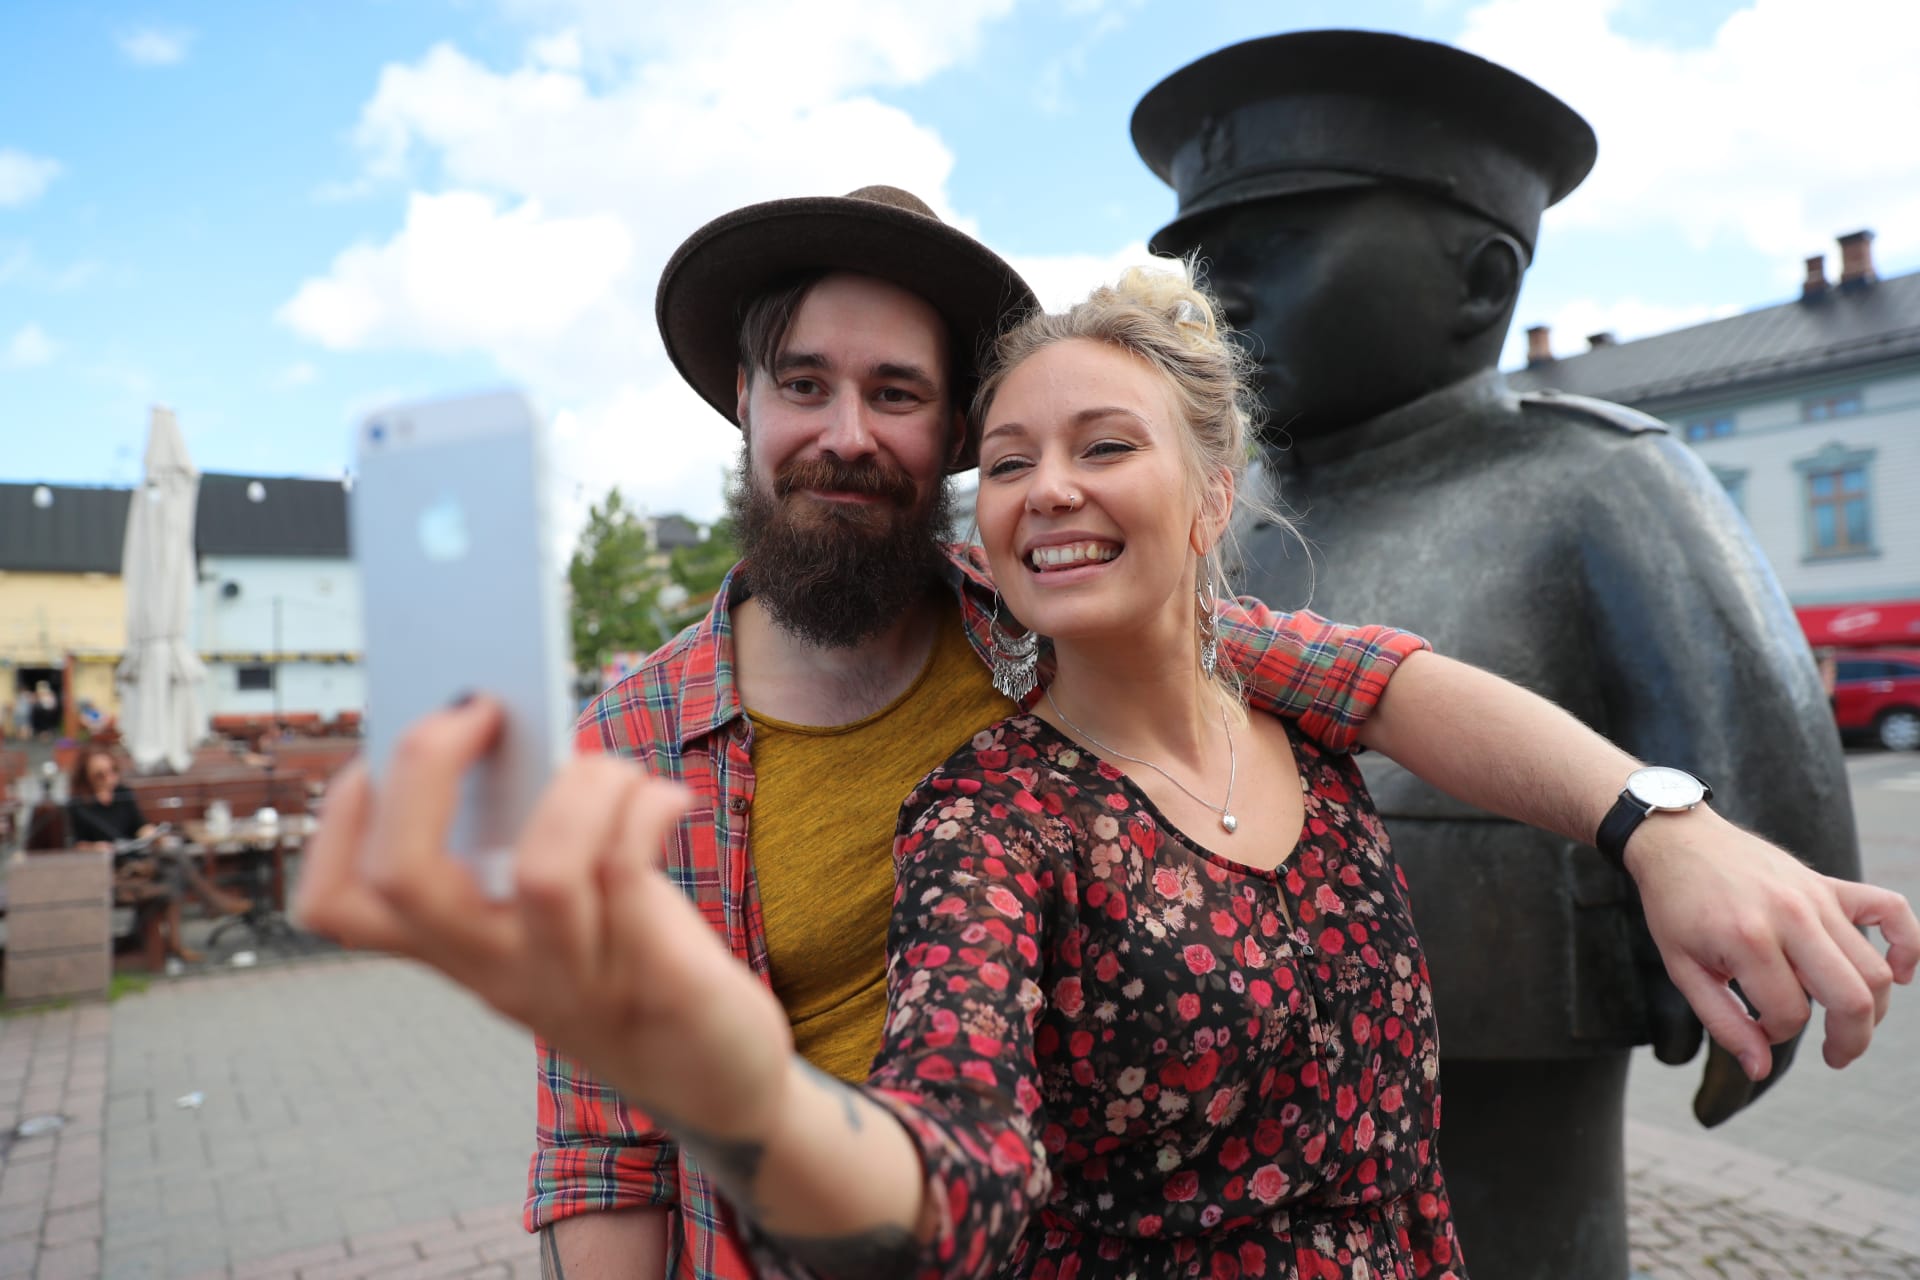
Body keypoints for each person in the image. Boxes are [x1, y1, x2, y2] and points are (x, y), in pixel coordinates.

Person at [294, 261, 1915, 1279]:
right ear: (747, 411)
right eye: (803, 385)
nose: (846, 429)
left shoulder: (1168, 653)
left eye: (903, 397)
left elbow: (1401, 682)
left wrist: (1658, 822)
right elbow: (879, 1162)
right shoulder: (835, 782)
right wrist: (722, 1073)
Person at [1128, 31, 1863, 1276]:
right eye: (1206, 264)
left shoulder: (1598, 481)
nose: (1222, 297)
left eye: (1277, 248)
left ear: (1478, 280)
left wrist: (1751, 981)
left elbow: (1778, 812)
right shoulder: (1206, 515)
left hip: (1501, 1168)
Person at [68, 745, 249, 963]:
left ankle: (180, 939)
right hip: (113, 869)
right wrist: (95, 847)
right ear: (86, 778)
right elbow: (74, 845)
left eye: (112, 771)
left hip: (138, 857)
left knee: (172, 858)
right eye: (100, 775)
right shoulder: (79, 806)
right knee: (174, 867)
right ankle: (208, 907)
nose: (109, 778)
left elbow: (140, 825)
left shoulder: (122, 793)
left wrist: (151, 834)